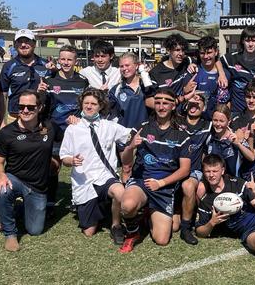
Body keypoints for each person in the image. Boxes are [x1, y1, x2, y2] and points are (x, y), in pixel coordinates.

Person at [120, 88, 191, 247]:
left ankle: (147, 213)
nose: (161, 106)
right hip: (141, 181)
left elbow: (185, 169)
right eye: (158, 102)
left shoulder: (182, 133)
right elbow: (125, 161)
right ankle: (133, 231)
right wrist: (131, 147)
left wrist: (161, 183)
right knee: (127, 205)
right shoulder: (142, 127)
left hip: (163, 187)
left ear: (173, 106)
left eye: (166, 103)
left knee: (162, 240)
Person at [59, 89, 132, 243]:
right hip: (84, 182)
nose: (89, 106)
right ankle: (99, 207)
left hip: (105, 177)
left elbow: (130, 135)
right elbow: (64, 156)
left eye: (93, 103)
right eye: (86, 103)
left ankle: (116, 225)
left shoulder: (109, 126)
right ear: (81, 105)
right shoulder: (73, 128)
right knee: (89, 231)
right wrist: (71, 160)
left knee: (120, 192)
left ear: (100, 106)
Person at [0, 90, 55, 251]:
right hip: (15, 180)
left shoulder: (49, 126)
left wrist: (58, 161)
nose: (25, 110)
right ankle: (10, 233)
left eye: (30, 107)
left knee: (35, 231)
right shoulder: (6, 133)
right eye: (21, 106)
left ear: (39, 108)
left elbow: (67, 143)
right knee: (2, 189)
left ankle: (17, 209)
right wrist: (1, 176)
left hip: (38, 187)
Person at [37, 45, 89, 215]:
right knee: (53, 166)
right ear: (59, 60)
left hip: (75, 131)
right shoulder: (50, 81)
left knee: (79, 165)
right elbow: (41, 107)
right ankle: (50, 202)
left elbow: (87, 105)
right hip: (55, 130)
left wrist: (80, 119)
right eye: (63, 59)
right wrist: (40, 93)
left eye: (70, 59)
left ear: (76, 61)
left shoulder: (82, 81)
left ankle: (79, 200)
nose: (66, 63)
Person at [175, 93, 212, 245]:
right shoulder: (176, 121)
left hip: (194, 171)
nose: (194, 105)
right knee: (172, 226)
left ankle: (186, 228)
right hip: (173, 169)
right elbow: (166, 108)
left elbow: (219, 117)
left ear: (204, 108)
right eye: (192, 103)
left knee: (188, 185)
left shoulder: (207, 125)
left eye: (199, 104)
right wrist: (186, 98)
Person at [0, 29, 53, 127]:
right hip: (15, 118)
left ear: (34, 43)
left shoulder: (46, 65)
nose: (23, 45)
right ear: (15, 45)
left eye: (27, 41)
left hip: (40, 119)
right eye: (20, 42)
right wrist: (2, 122)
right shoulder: (9, 66)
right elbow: (2, 95)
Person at [220, 26, 255, 114]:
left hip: (253, 114)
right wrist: (221, 74)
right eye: (247, 40)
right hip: (234, 112)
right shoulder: (231, 58)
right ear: (243, 41)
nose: (250, 44)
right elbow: (215, 61)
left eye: (254, 41)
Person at [180, 36, 229, 120]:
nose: (206, 56)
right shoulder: (193, 72)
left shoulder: (225, 74)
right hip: (197, 121)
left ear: (216, 52)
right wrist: (185, 91)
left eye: (209, 52)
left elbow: (227, 101)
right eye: (202, 53)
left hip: (217, 122)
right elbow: (184, 97)